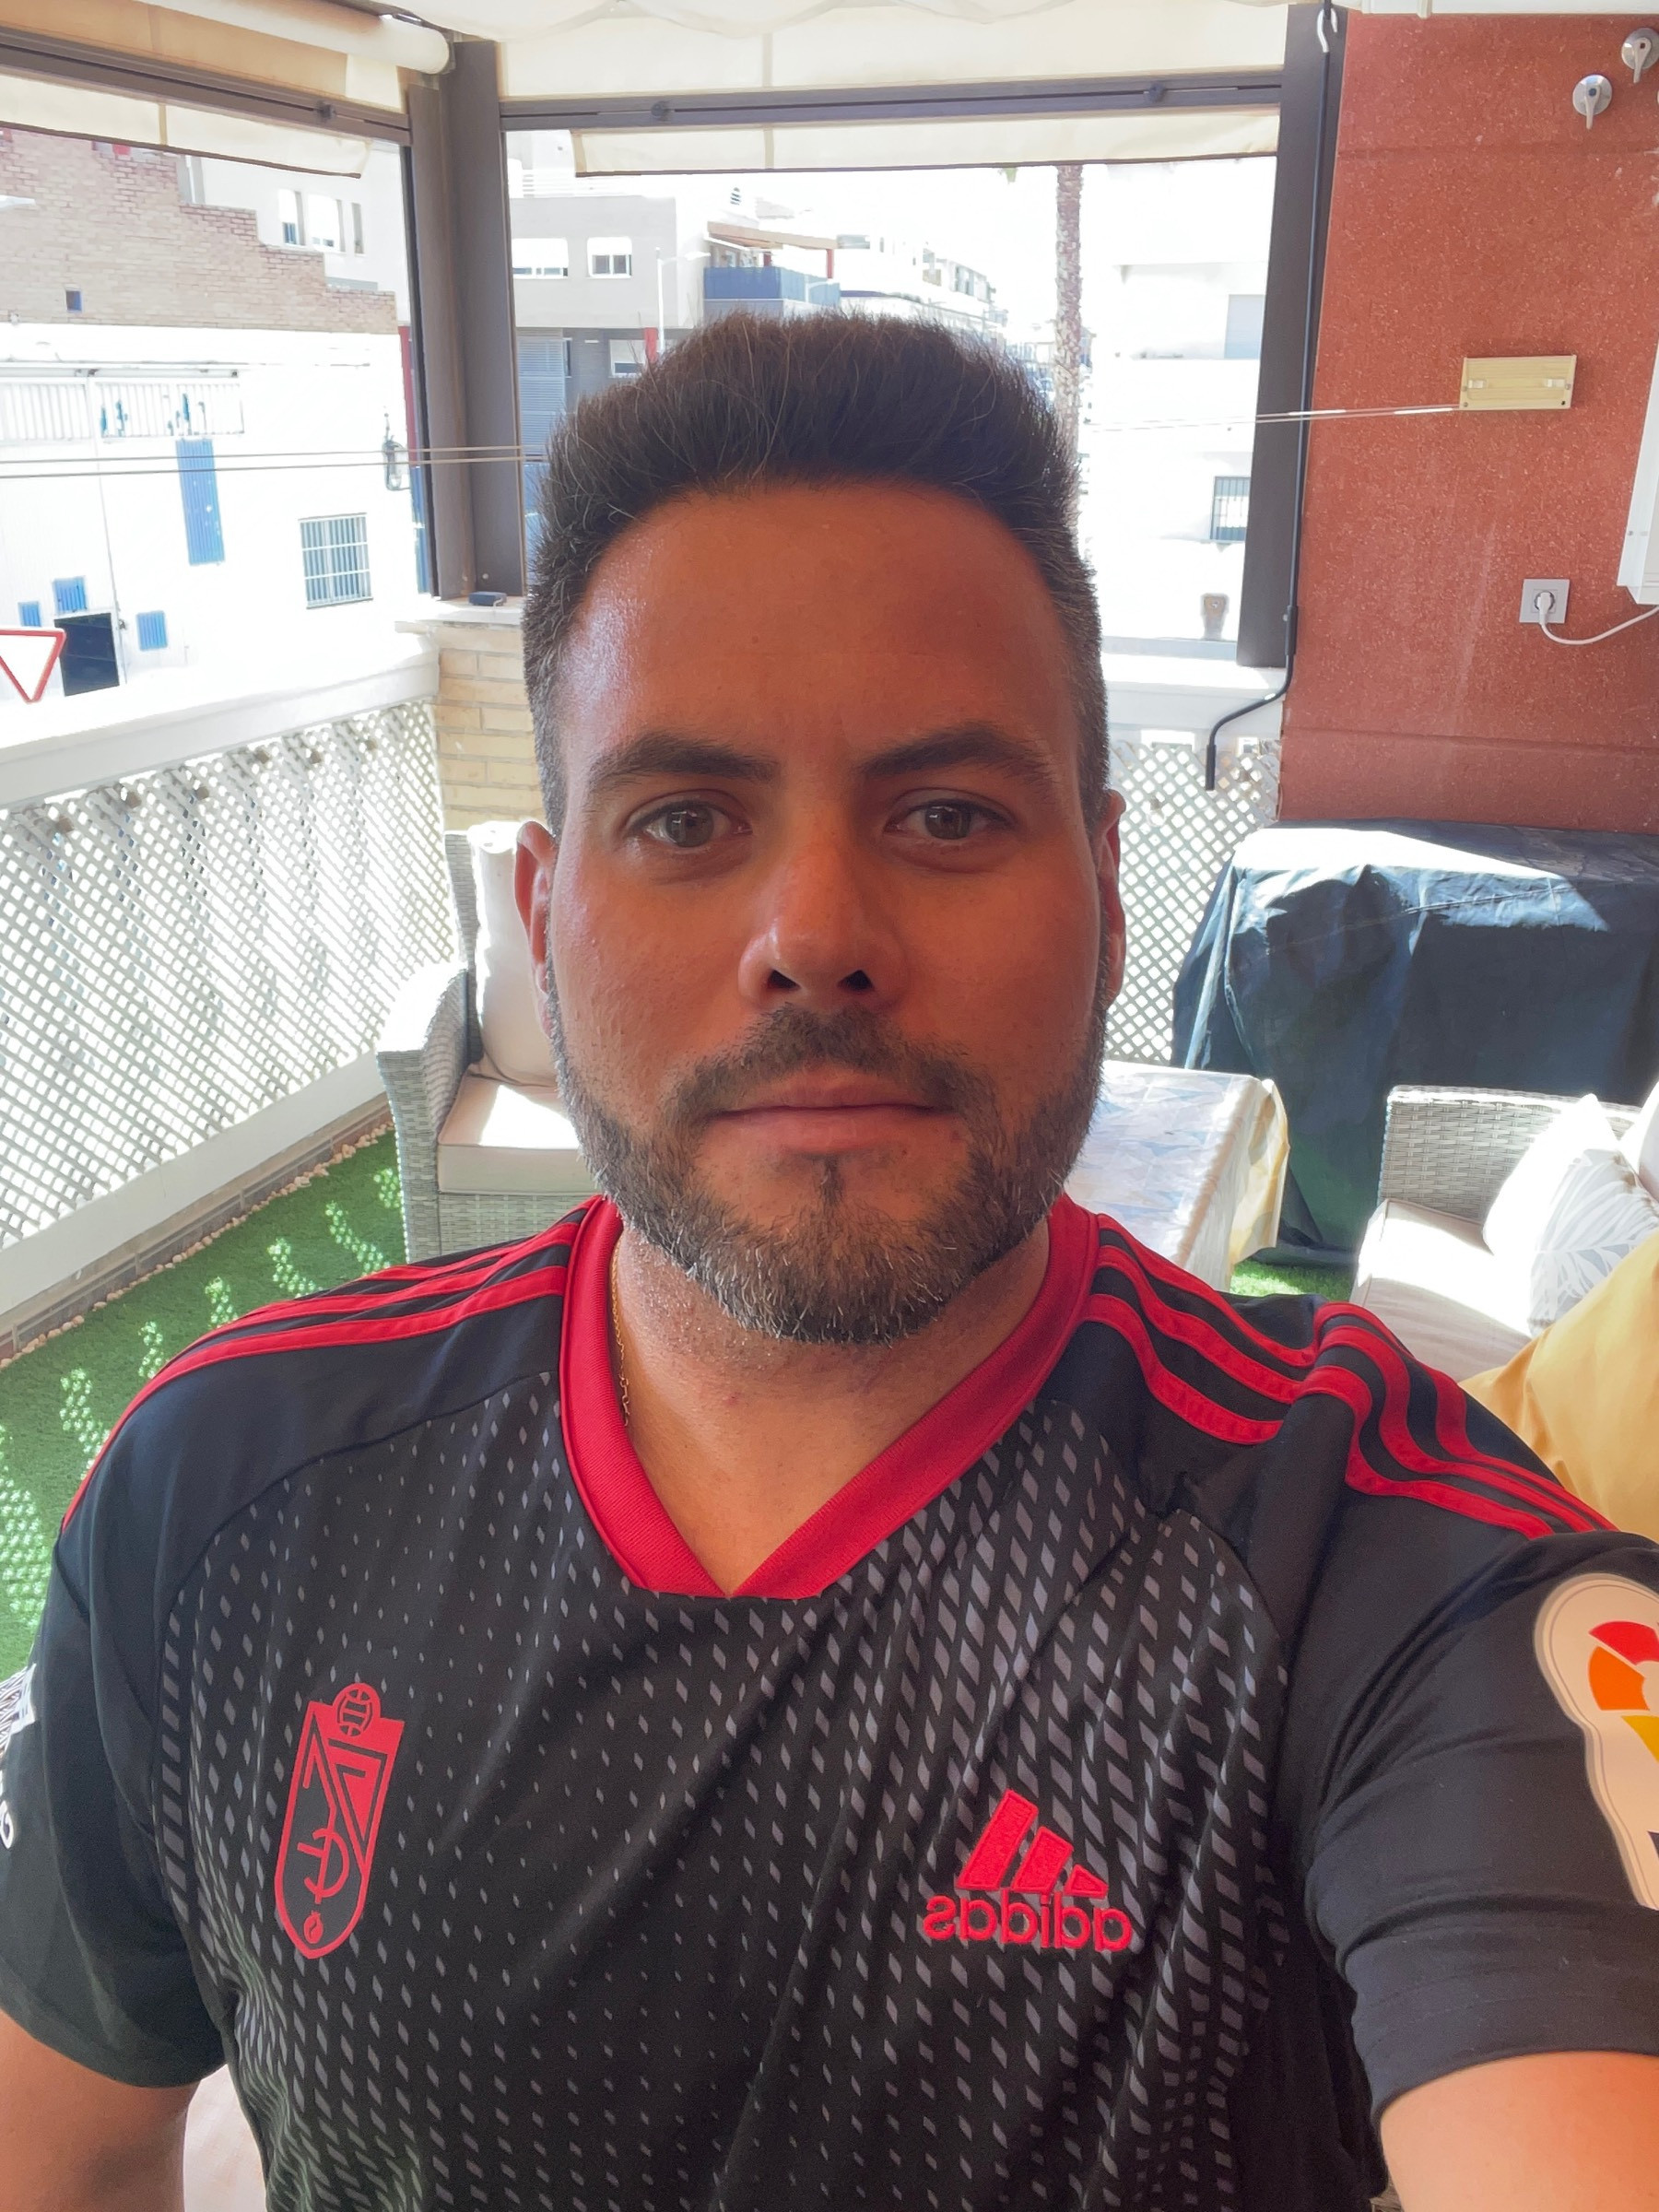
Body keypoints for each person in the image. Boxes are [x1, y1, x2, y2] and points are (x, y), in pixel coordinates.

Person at [0, 313, 1656, 2212]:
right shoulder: (219, 1490)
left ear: (1109, 892)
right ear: (545, 914)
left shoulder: (1390, 1564)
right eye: (684, 821)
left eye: (947, 815)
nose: (813, 932)